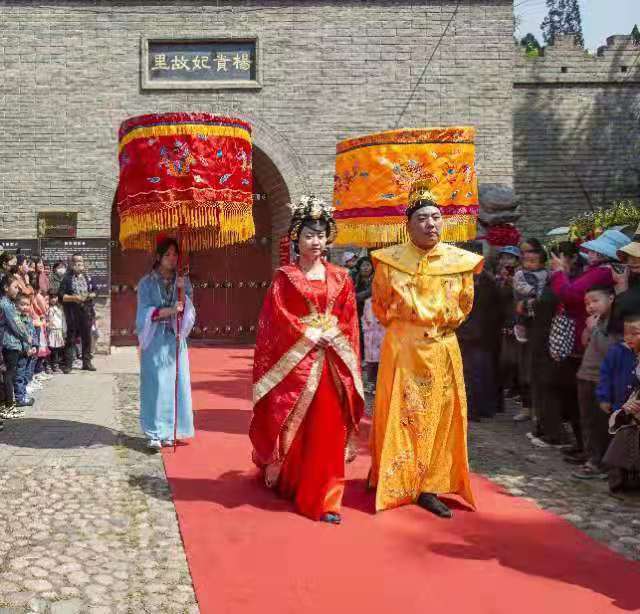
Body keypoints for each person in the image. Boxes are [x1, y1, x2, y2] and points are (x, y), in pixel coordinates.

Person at [368, 179, 483, 518]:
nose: (431, 224)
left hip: (443, 346)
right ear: (408, 226)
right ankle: (394, 477)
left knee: (442, 416)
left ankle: (430, 485)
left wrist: (437, 326)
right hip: (403, 347)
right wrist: (410, 326)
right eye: (422, 218)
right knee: (400, 414)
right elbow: (380, 305)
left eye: (436, 217)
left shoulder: (460, 262)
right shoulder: (389, 263)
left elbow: (464, 305)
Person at [249, 195, 364, 524]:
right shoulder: (284, 278)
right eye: (309, 235)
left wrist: (334, 335)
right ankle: (292, 479)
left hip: (331, 361)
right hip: (297, 362)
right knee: (296, 425)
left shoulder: (341, 277)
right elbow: (277, 319)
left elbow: (348, 317)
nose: (315, 241)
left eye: (320, 234)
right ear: (296, 239)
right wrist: (311, 334)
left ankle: (326, 498)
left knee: (328, 427)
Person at [136, 237, 195, 451]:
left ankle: (171, 430)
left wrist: (183, 294)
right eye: (167, 254)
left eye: (175, 254)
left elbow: (189, 313)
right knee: (155, 384)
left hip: (175, 338)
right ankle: (153, 432)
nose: (172, 258)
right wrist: (170, 310)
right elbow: (144, 313)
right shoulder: (146, 283)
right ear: (159, 257)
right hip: (154, 339)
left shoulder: (183, 281)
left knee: (175, 383)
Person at [569, 285, 617, 478]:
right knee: (587, 420)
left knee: (600, 423)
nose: (590, 306)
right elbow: (586, 344)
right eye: (587, 303)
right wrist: (589, 330)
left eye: (595, 301)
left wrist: (594, 330)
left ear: (611, 299)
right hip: (586, 375)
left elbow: (610, 350)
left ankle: (599, 462)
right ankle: (591, 457)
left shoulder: (614, 324)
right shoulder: (595, 322)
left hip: (601, 379)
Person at [598, 313, 640, 492]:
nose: (629, 337)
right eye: (626, 333)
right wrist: (604, 396)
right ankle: (618, 478)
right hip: (622, 407)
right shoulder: (618, 351)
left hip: (635, 410)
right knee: (619, 442)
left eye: (635, 333)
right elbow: (605, 375)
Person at [512, 245, 549, 422]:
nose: (529, 264)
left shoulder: (547, 275)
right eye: (526, 260)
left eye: (533, 261)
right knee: (524, 365)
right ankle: (528, 407)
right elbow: (522, 289)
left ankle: (538, 409)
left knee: (536, 367)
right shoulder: (520, 275)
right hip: (525, 320)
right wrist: (535, 295)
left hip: (541, 324)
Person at [60, 253, 96, 372]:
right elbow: (62, 296)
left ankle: (87, 362)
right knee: (71, 338)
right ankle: (68, 365)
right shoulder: (67, 278)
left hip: (86, 311)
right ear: (72, 264)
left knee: (87, 338)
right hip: (72, 312)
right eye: (76, 262)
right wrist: (74, 298)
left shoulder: (88, 277)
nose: (79, 264)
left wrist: (89, 295)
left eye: (81, 262)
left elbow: (95, 291)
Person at [361, 296, 384, 396]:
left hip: (382, 334)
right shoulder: (368, 301)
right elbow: (364, 317)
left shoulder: (388, 301)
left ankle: (379, 384)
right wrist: (365, 327)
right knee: (370, 362)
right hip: (370, 335)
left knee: (381, 361)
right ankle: (371, 383)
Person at [47, 291, 66, 373]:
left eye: (55, 297)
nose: (53, 299)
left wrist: (64, 331)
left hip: (58, 330)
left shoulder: (60, 308)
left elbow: (63, 320)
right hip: (51, 331)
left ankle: (55, 365)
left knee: (57, 349)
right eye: (51, 297)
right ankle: (49, 366)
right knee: (51, 349)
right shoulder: (48, 308)